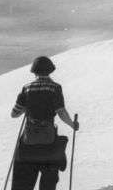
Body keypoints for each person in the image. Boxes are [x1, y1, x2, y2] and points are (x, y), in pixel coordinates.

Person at [11, 56, 79, 190]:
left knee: (22, 182)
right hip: (49, 142)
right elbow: (61, 112)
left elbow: (14, 114)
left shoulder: (27, 88)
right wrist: (72, 124)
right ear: (50, 70)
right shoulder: (55, 88)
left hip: (28, 143)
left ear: (34, 71)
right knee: (49, 182)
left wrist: (26, 108)